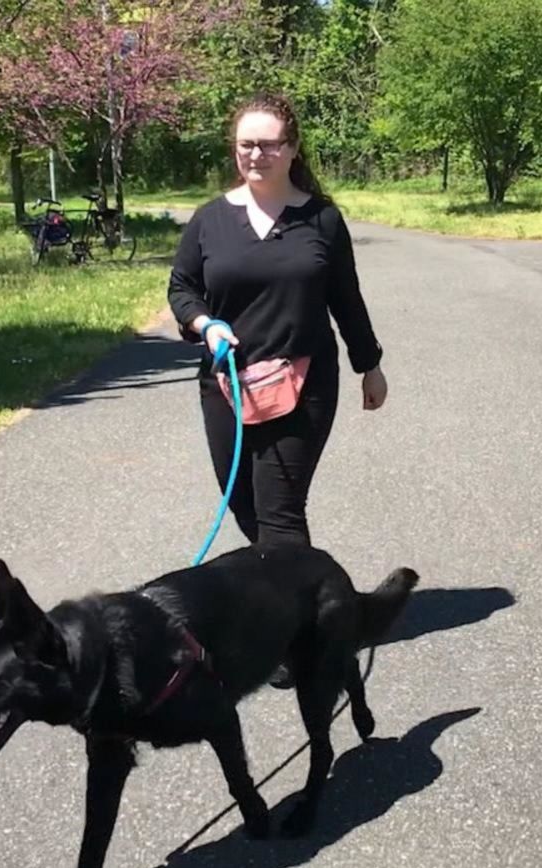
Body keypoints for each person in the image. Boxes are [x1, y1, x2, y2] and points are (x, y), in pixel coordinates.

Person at [167, 92, 389, 552]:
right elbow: (182, 288)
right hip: (227, 385)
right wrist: (206, 323)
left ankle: (308, 618)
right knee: (244, 505)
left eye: (269, 144)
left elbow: (346, 299)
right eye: (246, 144)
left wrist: (369, 365)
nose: (256, 154)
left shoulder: (321, 220)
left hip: (304, 384)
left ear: (291, 148)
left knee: (280, 512)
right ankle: (296, 598)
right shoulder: (210, 219)